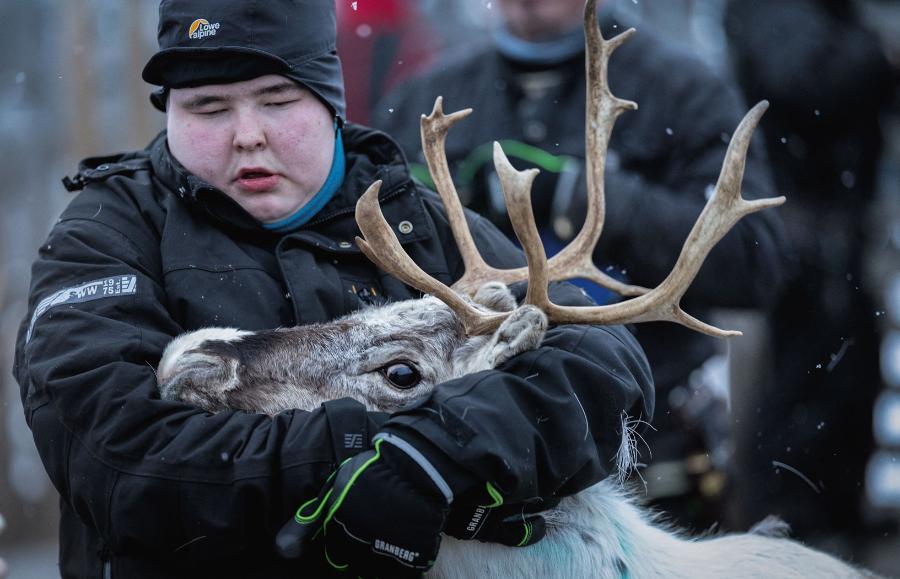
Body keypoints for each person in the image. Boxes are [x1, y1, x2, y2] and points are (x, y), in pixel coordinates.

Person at [13, 0, 653, 577]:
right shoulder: (104, 236)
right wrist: (353, 454)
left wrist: (437, 454)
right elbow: (121, 462)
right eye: (208, 107)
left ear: (328, 102)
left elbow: (607, 366)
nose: (247, 134)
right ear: (171, 112)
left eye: (277, 99)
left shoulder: (421, 222)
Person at [374, 0, 786, 529]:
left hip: (651, 458)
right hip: (475, 460)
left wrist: (589, 198)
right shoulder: (429, 101)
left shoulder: (680, 89)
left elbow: (756, 260)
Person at [724, 0, 900, 553]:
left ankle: (835, 519)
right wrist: (882, 53)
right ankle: (789, 529)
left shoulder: (840, 17)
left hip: (844, 235)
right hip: (790, 236)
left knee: (850, 381)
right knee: (797, 396)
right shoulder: (767, 11)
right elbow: (803, 80)